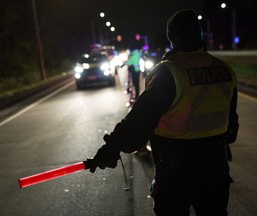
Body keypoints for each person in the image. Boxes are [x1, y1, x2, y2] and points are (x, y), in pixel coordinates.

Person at [86, 9, 239, 216]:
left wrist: (110, 149)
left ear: (172, 38)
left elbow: (139, 120)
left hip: (176, 169)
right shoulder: (225, 70)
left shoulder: (170, 72)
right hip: (215, 166)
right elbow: (232, 127)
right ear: (199, 33)